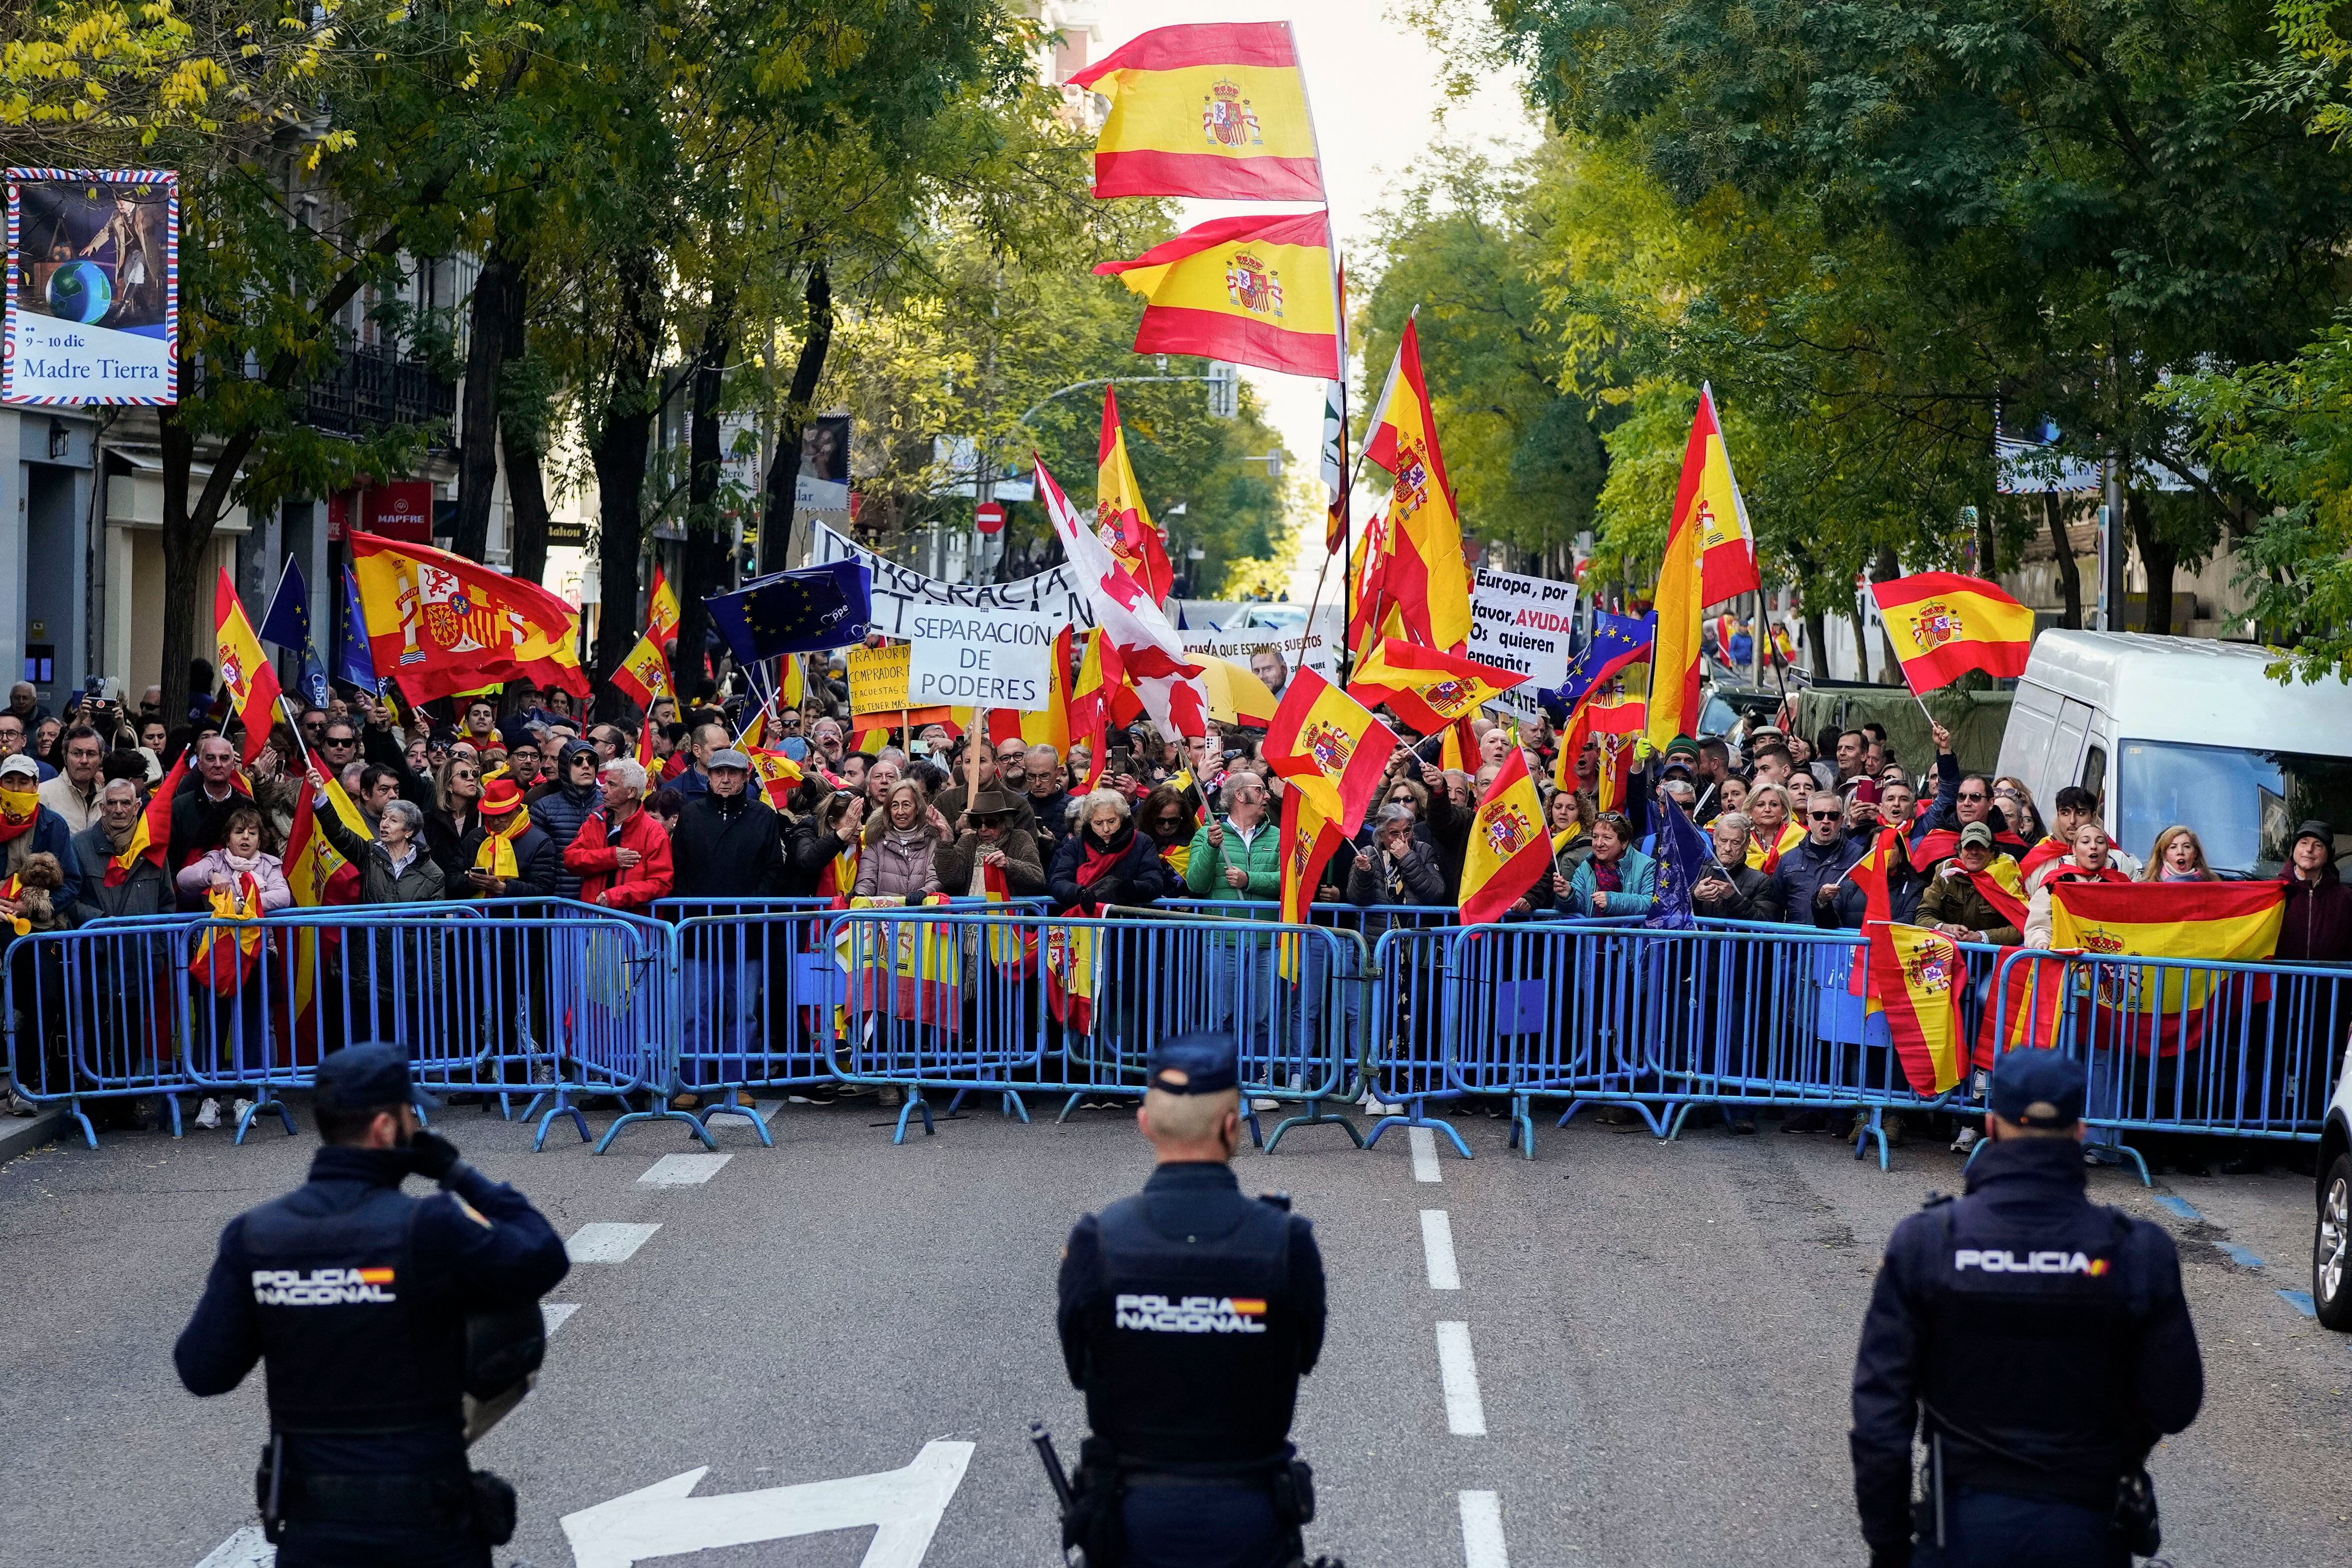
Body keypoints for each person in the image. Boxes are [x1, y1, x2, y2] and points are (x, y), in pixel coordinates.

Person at [173, 1043, 570, 1567]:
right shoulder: (430, 1228)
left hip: (315, 1535)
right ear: (386, 1128)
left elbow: (203, 1371)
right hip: (428, 1531)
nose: (416, 1125)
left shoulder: (257, 1238)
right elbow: (543, 1257)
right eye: (412, 1115)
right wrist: (459, 1174)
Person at [1849, 1051, 2203, 1568]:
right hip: (2088, 1530)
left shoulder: (1928, 1242)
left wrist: (1889, 1546)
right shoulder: (2136, 1250)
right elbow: (2174, 1402)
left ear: (1991, 1125)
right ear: (2080, 1130)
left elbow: (1881, 1420)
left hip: (1961, 1532)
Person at [1056, 1031, 1327, 1568]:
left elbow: (1081, 1366)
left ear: (1145, 1122)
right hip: (1251, 1517)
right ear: (1233, 1127)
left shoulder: (1098, 1241)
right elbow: (1305, 1353)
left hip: (1131, 1520)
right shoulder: (1285, 1241)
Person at [669, 748, 786, 901]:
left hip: (747, 918)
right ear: (709, 776)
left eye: (732, 773)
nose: (725, 780)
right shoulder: (690, 814)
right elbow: (679, 866)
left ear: (745, 777)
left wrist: (752, 905)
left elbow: (773, 869)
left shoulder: (764, 815)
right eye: (719, 773)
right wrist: (694, 905)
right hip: (698, 916)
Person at [563, 757, 674, 913]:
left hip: (633, 927)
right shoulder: (596, 821)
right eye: (606, 782)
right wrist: (611, 858)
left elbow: (661, 883)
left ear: (631, 792)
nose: (603, 789)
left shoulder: (654, 833)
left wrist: (615, 896)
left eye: (612, 784)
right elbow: (571, 859)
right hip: (593, 922)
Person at [1050, 790, 1174, 914]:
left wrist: (1130, 888)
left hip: (1128, 923)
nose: (1106, 829)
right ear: (1090, 822)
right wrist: (1079, 893)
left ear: (1121, 818)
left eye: (1112, 822)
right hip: (1085, 922)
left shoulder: (1142, 842)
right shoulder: (1077, 844)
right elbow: (1059, 882)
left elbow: (1154, 883)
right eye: (1098, 823)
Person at [2023, 823, 2133, 947]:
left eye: (2100, 842)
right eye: (2086, 842)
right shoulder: (2056, 882)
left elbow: (2133, 926)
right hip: (2066, 959)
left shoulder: (2121, 885)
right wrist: (2041, 941)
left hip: (2110, 960)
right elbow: (2038, 923)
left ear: (2107, 850)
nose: (2093, 846)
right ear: (2074, 850)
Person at [453, 777, 561, 903]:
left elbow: (544, 890)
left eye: (503, 816)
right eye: (491, 817)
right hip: (475, 918)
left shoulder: (541, 843)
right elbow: (453, 879)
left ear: (518, 810)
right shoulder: (475, 837)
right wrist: (471, 882)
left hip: (517, 920)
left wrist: (504, 888)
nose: (496, 822)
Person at [1917, 823, 2025, 946]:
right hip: (1949, 955)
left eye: (1981, 847)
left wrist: (1982, 937)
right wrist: (1945, 928)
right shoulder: (1945, 872)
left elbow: (2021, 927)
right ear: (1960, 851)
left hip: (1992, 960)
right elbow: (1923, 915)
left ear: (1992, 852)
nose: (1974, 852)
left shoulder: (2008, 875)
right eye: (1969, 847)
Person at [1773, 790, 1867, 930]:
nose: (1826, 820)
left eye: (1833, 815)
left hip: (1838, 944)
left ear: (1841, 820)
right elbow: (1775, 908)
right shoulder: (1789, 859)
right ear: (1808, 819)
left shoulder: (1860, 857)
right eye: (1818, 815)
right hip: (1796, 945)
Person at [936, 783, 1047, 898]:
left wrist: (1009, 865)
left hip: (1010, 912)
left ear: (1004, 822)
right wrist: (945, 842)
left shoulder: (1021, 839)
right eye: (977, 823)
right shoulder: (968, 842)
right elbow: (951, 879)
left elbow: (1038, 879)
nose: (983, 829)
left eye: (991, 823)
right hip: (970, 912)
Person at [1186, 772, 1280, 906]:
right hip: (1224, 926)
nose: (1267, 796)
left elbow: (1288, 883)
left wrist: (1248, 880)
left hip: (1266, 926)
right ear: (1239, 794)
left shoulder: (1278, 837)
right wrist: (1211, 846)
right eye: (1259, 790)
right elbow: (1196, 886)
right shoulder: (1205, 835)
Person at [529, 740, 605, 902]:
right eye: (578, 761)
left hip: (601, 904)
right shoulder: (543, 808)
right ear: (565, 768)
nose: (586, 766)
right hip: (560, 905)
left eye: (591, 761)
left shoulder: (610, 804)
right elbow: (539, 866)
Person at [853, 777, 944, 901]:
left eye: (906, 805)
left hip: (920, 915)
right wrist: (861, 894)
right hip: (884, 917)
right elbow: (867, 878)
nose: (900, 812)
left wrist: (924, 892)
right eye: (895, 806)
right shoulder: (877, 840)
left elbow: (935, 879)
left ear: (917, 808)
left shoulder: (932, 840)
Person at [1691, 812, 1785, 922]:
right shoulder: (1697, 872)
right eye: (1724, 840)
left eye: (1735, 843)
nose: (1728, 848)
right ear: (1715, 839)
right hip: (1702, 939)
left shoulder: (1762, 882)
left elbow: (1766, 922)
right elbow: (1674, 911)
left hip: (1739, 939)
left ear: (1746, 845)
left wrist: (1734, 899)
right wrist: (1695, 897)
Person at [1348, 803, 1446, 909]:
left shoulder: (1424, 851)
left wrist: (1407, 858)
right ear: (1381, 835)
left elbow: (1436, 894)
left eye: (1407, 831)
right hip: (1380, 924)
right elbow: (1357, 899)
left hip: (1416, 924)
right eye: (1394, 833)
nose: (1403, 839)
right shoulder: (1367, 855)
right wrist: (1364, 873)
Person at [1564, 811, 1656, 917]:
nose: (1599, 844)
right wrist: (1568, 896)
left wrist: (1612, 900)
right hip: (1592, 933)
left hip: (1629, 934)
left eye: (1607, 838)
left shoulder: (1646, 865)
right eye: (1595, 837)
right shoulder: (1587, 866)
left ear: (1624, 842)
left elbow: (1651, 903)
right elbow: (1577, 907)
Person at [37, 723, 104, 834]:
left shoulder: (107, 797)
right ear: (65, 757)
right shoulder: (43, 794)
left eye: (91, 754)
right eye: (77, 753)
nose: (84, 760)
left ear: (101, 758)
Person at [2142, 825, 2218, 882]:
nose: (2180, 852)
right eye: (2173, 847)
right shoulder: (2148, 886)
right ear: (2164, 855)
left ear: (2195, 853)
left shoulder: (2213, 883)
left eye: (2187, 847)